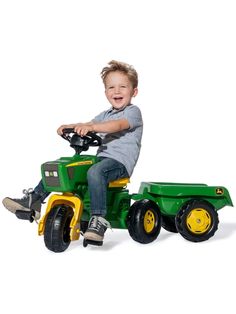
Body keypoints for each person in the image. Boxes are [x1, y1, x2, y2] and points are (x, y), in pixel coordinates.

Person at [2, 60, 143, 244]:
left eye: (122, 86)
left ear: (134, 91)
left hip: (119, 164)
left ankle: (98, 219)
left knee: (95, 172)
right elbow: (88, 125)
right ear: (106, 92)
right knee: (65, 166)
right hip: (100, 161)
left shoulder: (133, 112)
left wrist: (91, 126)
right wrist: (70, 127)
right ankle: (34, 201)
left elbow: (116, 126)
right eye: (111, 87)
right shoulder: (105, 114)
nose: (116, 91)